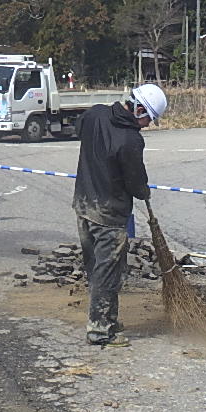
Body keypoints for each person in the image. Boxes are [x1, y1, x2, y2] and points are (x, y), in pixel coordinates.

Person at [72, 83, 168, 347]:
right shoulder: (131, 140)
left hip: (83, 204)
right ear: (138, 109)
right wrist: (144, 190)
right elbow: (136, 183)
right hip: (108, 214)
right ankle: (100, 329)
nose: (148, 124)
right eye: (149, 118)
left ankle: (108, 318)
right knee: (108, 271)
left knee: (96, 267)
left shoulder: (95, 114)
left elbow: (79, 129)